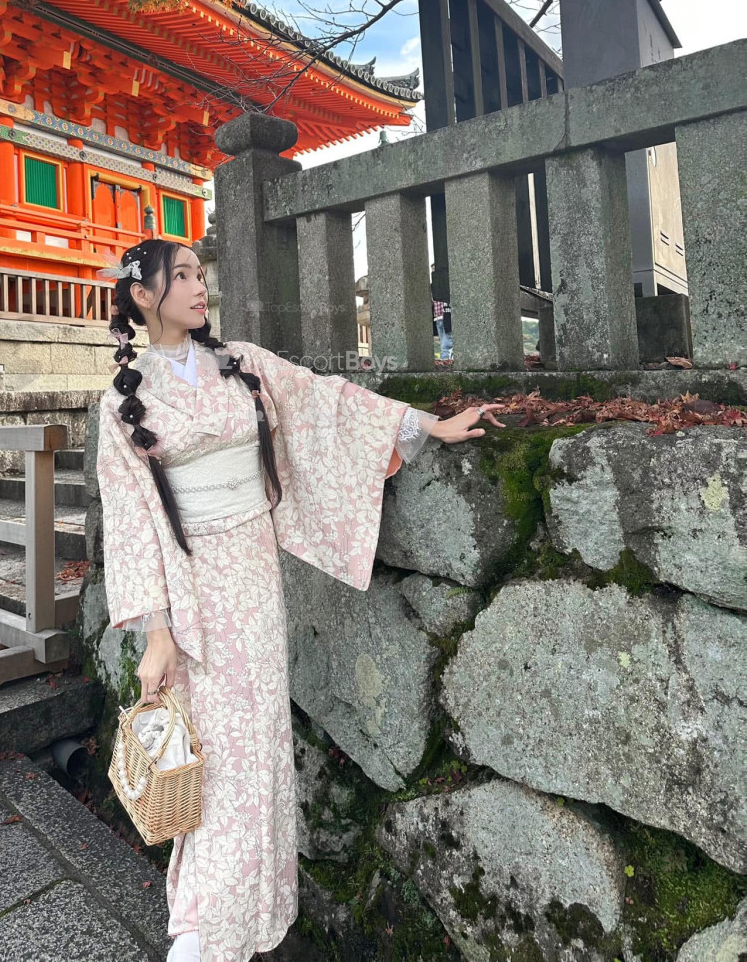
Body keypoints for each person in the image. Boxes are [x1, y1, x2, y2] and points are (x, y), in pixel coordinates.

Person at [95, 239, 505, 962]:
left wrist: (423, 424)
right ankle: (202, 936)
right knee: (216, 761)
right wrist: (157, 633)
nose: (199, 287)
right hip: (194, 592)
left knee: (259, 749)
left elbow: (326, 403)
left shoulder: (243, 364)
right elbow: (131, 525)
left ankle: (239, 925)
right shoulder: (122, 403)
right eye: (181, 276)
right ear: (141, 295)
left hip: (254, 580)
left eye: (200, 274)